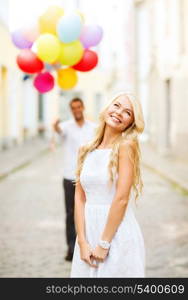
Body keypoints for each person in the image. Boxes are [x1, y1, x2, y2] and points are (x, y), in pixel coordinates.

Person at [70, 92, 145, 277]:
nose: (119, 113)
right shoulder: (85, 149)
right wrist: (82, 242)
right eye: (117, 105)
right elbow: (79, 197)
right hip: (88, 234)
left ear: (130, 123)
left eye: (127, 112)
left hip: (116, 235)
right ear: (107, 108)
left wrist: (104, 243)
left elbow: (121, 199)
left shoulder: (126, 146)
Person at [53, 97, 96, 261]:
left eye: (79, 107)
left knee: (88, 212)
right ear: (71, 110)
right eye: (73, 108)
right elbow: (59, 132)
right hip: (70, 176)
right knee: (70, 213)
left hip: (88, 176)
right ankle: (71, 248)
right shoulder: (66, 127)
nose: (76, 110)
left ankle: (87, 245)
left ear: (83, 107)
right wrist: (55, 127)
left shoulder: (93, 128)